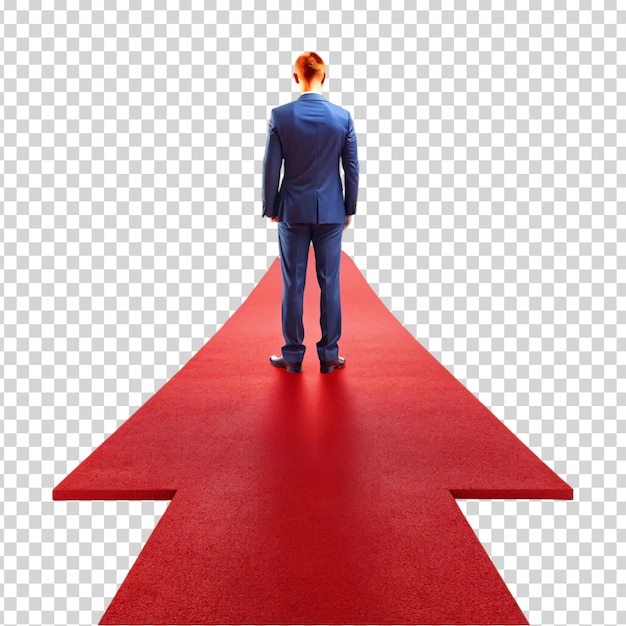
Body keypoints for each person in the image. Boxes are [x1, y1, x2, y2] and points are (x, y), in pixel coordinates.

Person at [262, 52, 359, 374]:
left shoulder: (281, 116)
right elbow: (352, 169)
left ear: (295, 77)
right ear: (324, 77)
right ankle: (329, 355)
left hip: (292, 209)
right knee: (330, 283)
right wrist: (349, 209)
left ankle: (292, 356)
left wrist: (271, 207)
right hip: (331, 211)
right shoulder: (342, 117)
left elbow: (271, 167)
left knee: (294, 283)